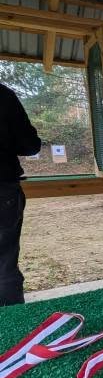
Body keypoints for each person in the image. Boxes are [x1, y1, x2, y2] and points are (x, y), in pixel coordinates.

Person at [0, 83, 41, 305]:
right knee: (4, 266)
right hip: (2, 188)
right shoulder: (3, 95)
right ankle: (12, 322)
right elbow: (30, 145)